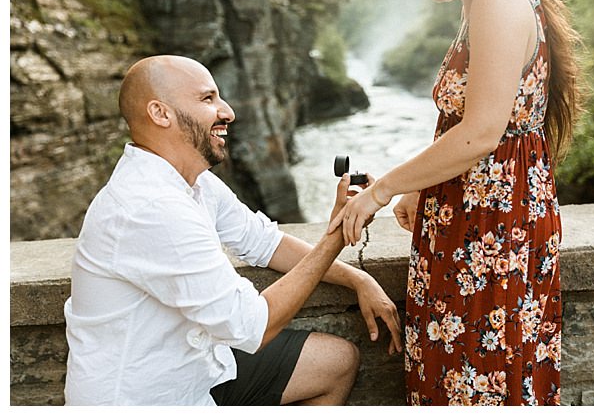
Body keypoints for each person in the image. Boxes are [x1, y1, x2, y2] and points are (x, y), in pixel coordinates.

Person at [64, 55, 402, 406]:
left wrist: (357, 279)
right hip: (144, 396)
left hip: (197, 367)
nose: (228, 112)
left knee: (335, 362)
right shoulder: (150, 208)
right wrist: (336, 236)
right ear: (160, 113)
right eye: (207, 99)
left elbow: (265, 242)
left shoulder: (195, 182)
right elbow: (253, 326)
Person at [328, 0, 585, 406]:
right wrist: (420, 187)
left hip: (493, 229)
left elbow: (483, 132)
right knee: (458, 374)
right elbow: (467, 125)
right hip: (474, 219)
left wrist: (381, 190)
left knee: (479, 377)